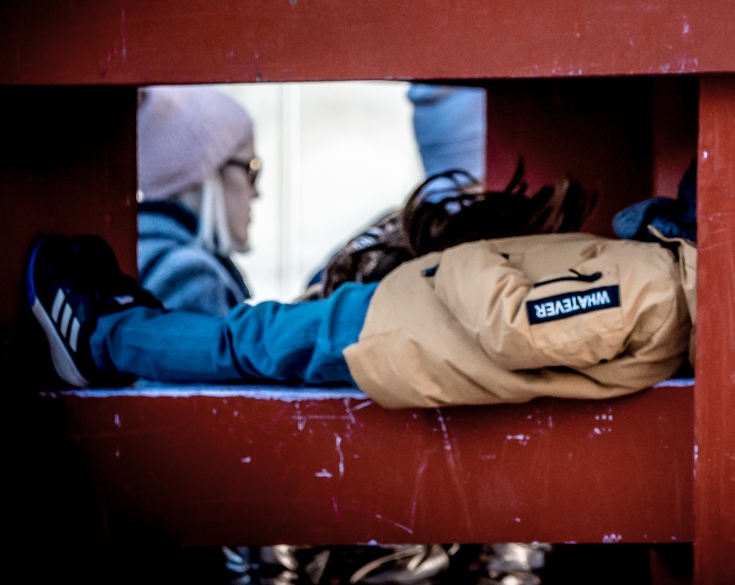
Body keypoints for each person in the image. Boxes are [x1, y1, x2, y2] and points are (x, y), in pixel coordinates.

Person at [24, 169, 694, 407]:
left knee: (247, 341)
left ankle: (102, 336)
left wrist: (467, 257)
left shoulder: (655, 288)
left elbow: (515, 323)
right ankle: (129, 330)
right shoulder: (666, 282)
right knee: (251, 337)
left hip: (398, 328)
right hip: (410, 327)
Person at [136, 86, 260, 317]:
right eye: (252, 169)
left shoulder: (142, 249)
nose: (256, 192)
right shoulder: (192, 279)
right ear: (207, 174)